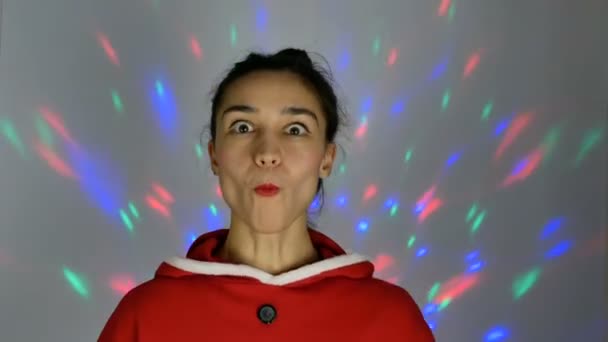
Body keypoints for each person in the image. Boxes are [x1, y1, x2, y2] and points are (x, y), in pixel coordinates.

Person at [99, 48, 434, 341]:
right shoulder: (144, 315)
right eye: (242, 127)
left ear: (326, 159)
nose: (268, 153)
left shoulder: (391, 319)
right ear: (215, 155)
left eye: (295, 130)